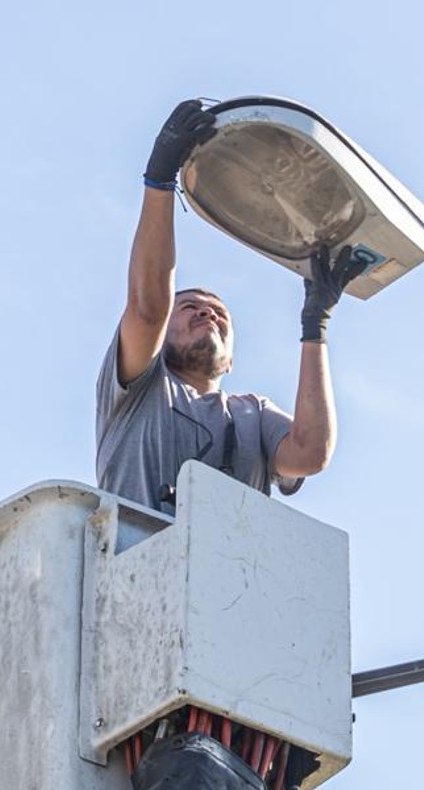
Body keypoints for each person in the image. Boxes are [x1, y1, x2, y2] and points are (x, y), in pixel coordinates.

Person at [96, 99, 369, 514]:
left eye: (219, 314)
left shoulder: (251, 414)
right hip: (138, 554)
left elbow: (310, 452)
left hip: (223, 559)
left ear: (231, 361)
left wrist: (316, 326)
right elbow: (147, 309)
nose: (208, 313)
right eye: (189, 307)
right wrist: (159, 181)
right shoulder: (139, 390)